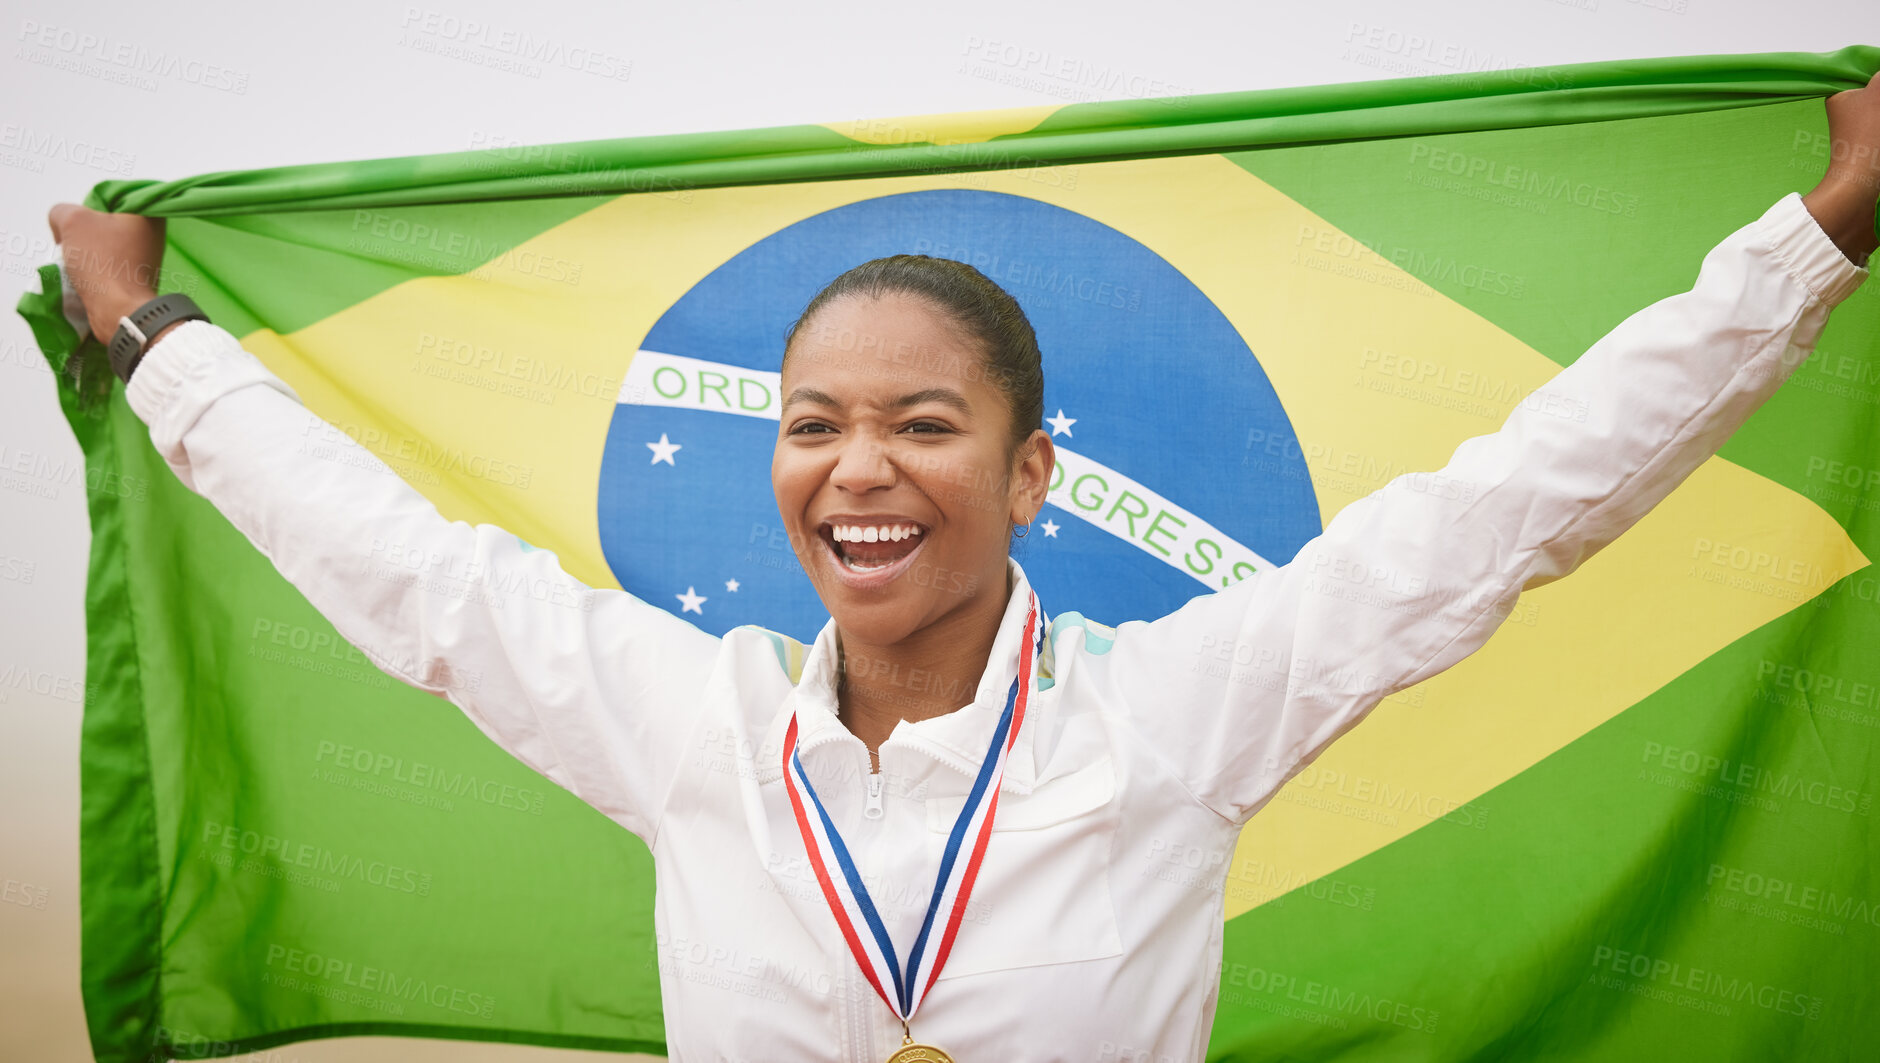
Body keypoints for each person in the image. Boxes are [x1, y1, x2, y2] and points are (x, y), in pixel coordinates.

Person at [45, 72, 1880, 1062]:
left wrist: (1820, 236)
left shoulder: (1180, 720)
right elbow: (405, 573)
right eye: (810, 422)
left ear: (1027, 474)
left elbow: (1512, 507)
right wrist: (154, 340)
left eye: (923, 425)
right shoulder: (682, 733)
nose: (857, 469)